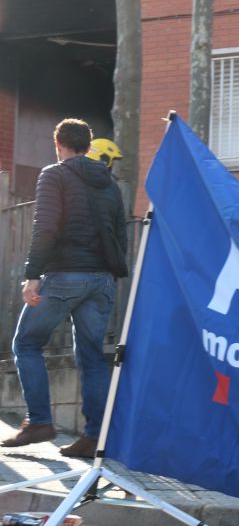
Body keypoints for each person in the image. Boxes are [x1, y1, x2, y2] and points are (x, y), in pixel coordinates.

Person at [2, 119, 127, 459]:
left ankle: (40, 421)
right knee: (91, 357)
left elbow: (45, 227)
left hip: (65, 275)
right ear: (89, 146)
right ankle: (94, 436)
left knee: (25, 342)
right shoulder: (110, 183)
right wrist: (111, 273)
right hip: (101, 279)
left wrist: (33, 275)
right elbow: (119, 232)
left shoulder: (54, 175)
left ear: (58, 144)